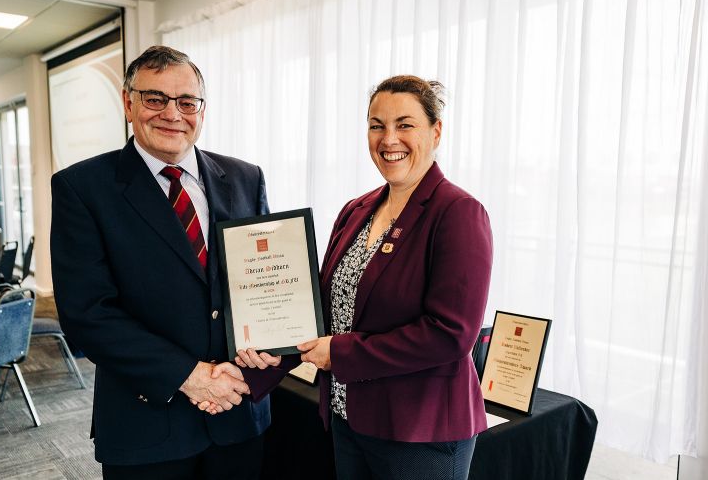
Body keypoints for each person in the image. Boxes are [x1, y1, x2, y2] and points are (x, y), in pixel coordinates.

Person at [237, 74, 493, 479]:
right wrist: (254, 365)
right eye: (377, 125)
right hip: (348, 415)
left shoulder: (458, 212)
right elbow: (320, 311)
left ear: (436, 131)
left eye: (404, 124)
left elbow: (450, 334)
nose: (389, 139)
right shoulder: (357, 210)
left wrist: (340, 354)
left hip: (418, 430)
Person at [51, 45, 272, 480]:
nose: (173, 114)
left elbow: (265, 288)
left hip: (238, 414)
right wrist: (190, 376)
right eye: (155, 99)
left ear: (202, 110)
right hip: (146, 426)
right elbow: (87, 315)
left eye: (187, 101)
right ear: (128, 103)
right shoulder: (82, 188)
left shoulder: (247, 178)